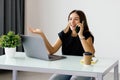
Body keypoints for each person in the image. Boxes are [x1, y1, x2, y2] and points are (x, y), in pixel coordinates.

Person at [29, 10, 95, 80]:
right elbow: (52, 50)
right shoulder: (64, 34)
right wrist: (42, 34)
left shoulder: (87, 35)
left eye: (76, 19)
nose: (72, 22)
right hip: (67, 68)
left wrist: (80, 35)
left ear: (82, 22)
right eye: (70, 19)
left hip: (84, 68)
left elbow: (91, 53)